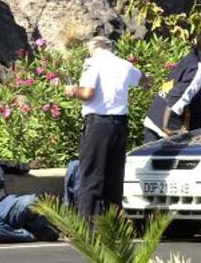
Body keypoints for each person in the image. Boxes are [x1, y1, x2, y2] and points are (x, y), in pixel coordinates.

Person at [65, 36, 152, 218]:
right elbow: (144, 80)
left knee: (91, 177)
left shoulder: (93, 63)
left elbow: (87, 93)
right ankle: (113, 227)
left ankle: (89, 226)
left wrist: (73, 91)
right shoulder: (124, 65)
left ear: (95, 47)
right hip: (119, 125)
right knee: (114, 179)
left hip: (98, 125)